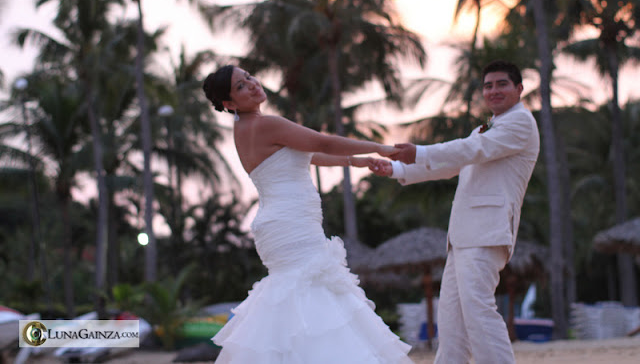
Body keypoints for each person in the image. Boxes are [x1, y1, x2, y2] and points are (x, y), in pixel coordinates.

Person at [202, 65, 414, 364]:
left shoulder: (246, 129)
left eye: (249, 77)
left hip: (279, 222)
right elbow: (321, 141)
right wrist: (381, 147)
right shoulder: (266, 125)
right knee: (313, 294)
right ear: (229, 104)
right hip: (291, 223)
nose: (251, 84)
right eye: (240, 86)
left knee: (296, 295)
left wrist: (357, 161)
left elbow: (307, 154)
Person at [370, 60, 540, 364]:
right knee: (452, 325)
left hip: (487, 232)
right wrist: (396, 168)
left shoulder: (521, 123)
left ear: (519, 89)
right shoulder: (485, 129)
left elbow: (470, 150)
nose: (494, 90)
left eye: (502, 84)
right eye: (488, 85)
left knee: (478, 312)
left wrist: (420, 151)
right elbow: (452, 165)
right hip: (462, 236)